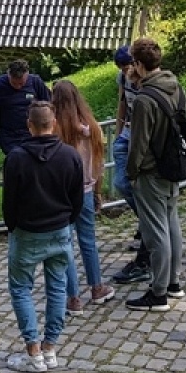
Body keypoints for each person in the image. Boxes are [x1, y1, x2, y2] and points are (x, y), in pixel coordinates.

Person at [2, 102, 84, 373]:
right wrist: (66, 221)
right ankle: (50, 348)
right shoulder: (70, 156)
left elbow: (9, 201)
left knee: (21, 288)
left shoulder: (16, 158)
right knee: (57, 288)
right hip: (59, 230)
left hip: (27, 232)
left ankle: (33, 351)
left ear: (29, 125)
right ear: (55, 123)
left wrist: (13, 225)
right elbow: (76, 198)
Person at [122, 38, 186, 312]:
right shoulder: (175, 86)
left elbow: (138, 143)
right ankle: (174, 282)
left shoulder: (143, 100)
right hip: (173, 165)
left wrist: (131, 173)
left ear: (138, 64)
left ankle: (158, 292)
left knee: (155, 232)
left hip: (151, 171)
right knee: (172, 224)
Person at [51, 79, 115, 310]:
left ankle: (73, 297)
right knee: (88, 241)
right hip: (86, 190)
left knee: (65, 243)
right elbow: (99, 165)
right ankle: (97, 288)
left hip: (61, 194)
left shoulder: (55, 128)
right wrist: (97, 192)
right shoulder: (93, 127)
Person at [108, 44, 152, 288]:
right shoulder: (123, 78)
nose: (126, 71)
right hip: (126, 135)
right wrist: (118, 130)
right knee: (121, 183)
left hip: (141, 138)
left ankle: (148, 231)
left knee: (144, 191)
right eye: (122, 68)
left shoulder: (149, 81)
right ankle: (145, 222)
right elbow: (122, 102)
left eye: (128, 66)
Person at [0, 59, 50, 155]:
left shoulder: (36, 82)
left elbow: (48, 107)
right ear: (8, 74)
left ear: (27, 75)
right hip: (10, 138)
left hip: (34, 135)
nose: (18, 87)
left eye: (22, 84)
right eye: (14, 83)